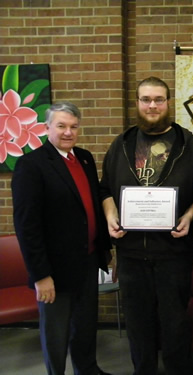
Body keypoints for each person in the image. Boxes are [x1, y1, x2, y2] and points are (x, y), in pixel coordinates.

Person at [100, 76, 193, 375]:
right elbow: (105, 190)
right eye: (146, 99)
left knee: (175, 322)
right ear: (137, 103)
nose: (152, 105)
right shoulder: (121, 145)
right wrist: (111, 215)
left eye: (158, 99)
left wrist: (189, 217)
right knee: (138, 324)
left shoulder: (191, 145)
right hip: (131, 253)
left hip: (173, 252)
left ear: (168, 102)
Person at [11, 102, 112, 375]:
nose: (68, 132)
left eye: (73, 127)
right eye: (61, 126)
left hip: (88, 261)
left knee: (86, 326)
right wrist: (41, 275)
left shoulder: (85, 158)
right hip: (54, 270)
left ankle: (88, 369)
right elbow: (26, 225)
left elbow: (90, 206)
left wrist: (106, 252)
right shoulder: (31, 166)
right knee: (56, 333)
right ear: (46, 128)